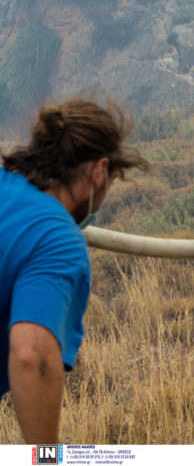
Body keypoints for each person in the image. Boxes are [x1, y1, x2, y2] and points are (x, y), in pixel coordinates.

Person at [0, 98, 148, 443]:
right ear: (99, 172)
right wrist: (46, 458)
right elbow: (32, 356)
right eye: (111, 182)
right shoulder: (57, 238)